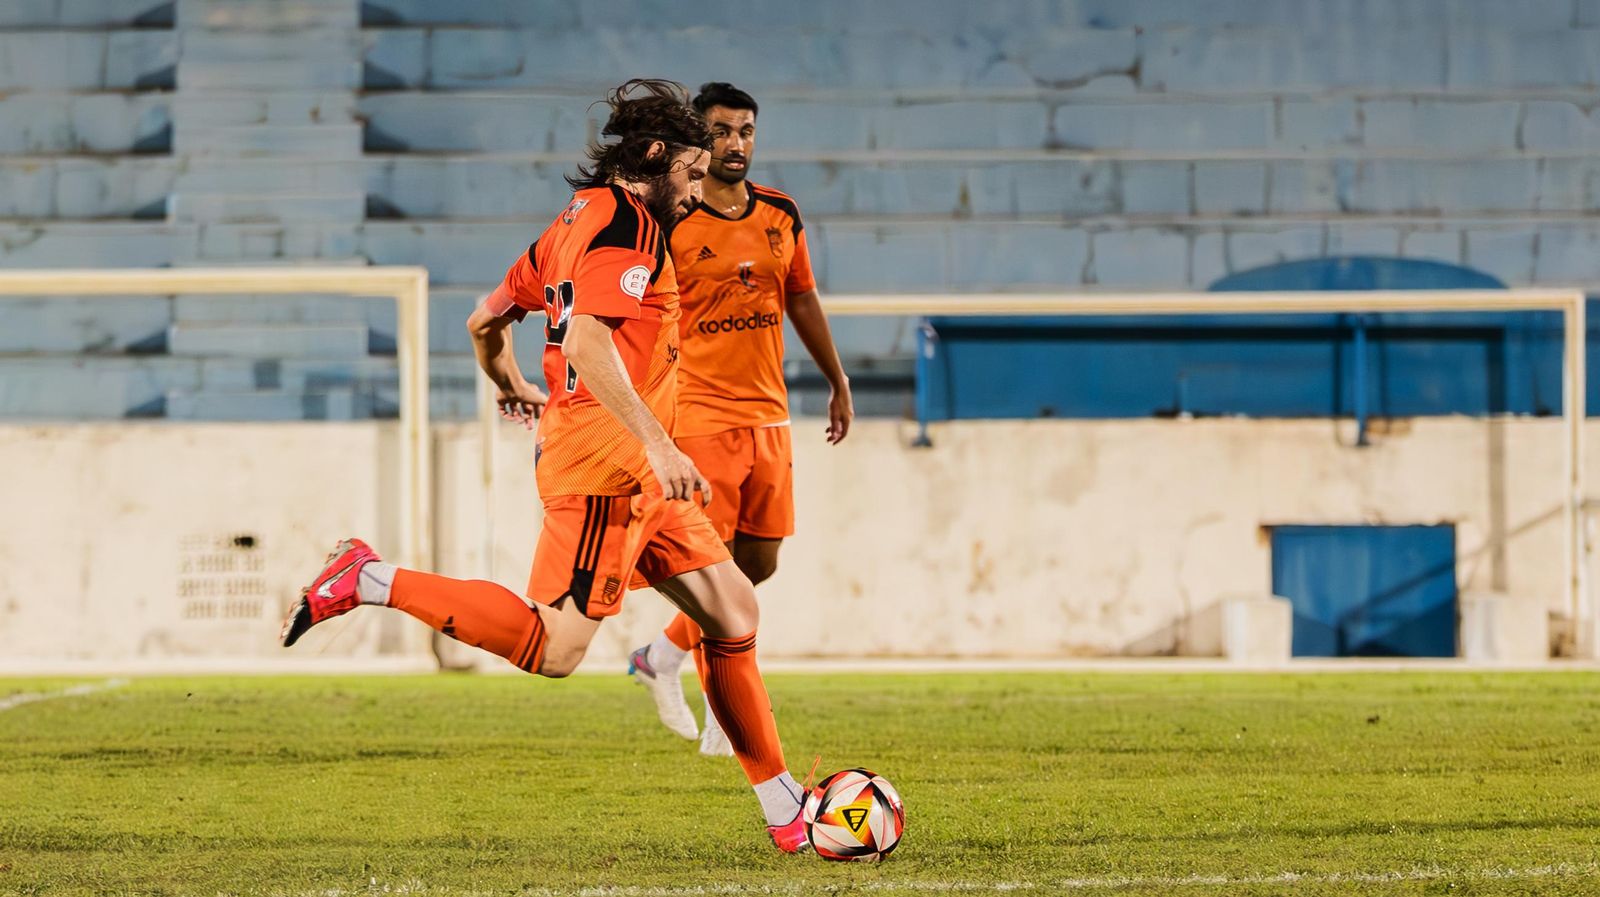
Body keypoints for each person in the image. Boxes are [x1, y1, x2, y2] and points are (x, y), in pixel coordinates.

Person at [278, 79, 810, 854]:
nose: (698, 191)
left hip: (633, 466)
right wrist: (660, 445)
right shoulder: (628, 226)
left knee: (732, 610)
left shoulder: (571, 221)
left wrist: (513, 385)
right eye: (692, 174)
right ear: (655, 156)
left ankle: (784, 807)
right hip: (607, 469)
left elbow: (484, 319)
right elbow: (591, 340)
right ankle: (366, 577)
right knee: (555, 648)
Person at [626, 82, 852, 757]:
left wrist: (837, 380)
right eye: (722, 131)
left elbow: (804, 298)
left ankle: (660, 654)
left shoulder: (782, 213)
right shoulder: (676, 218)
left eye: (746, 131)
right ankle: (725, 713)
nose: (735, 144)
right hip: (699, 417)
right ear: (701, 137)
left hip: (770, 418)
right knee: (714, 565)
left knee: (759, 562)